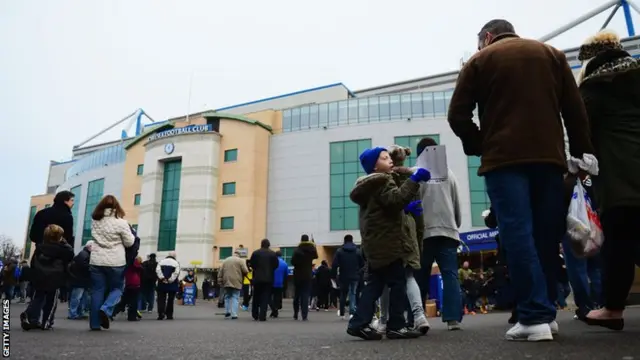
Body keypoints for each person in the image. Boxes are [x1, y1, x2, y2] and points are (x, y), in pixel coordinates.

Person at [447, 19, 594, 341]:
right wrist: (582, 156)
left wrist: (479, 145)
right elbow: (575, 110)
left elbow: (457, 114)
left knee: (517, 234)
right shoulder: (552, 55)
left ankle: (534, 316)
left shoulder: (480, 60)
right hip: (550, 160)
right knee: (545, 237)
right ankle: (546, 312)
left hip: (504, 161)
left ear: (486, 37)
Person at [575, 30, 640, 331]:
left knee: (620, 243)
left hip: (620, 177)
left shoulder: (594, 89)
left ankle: (613, 309)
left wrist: (579, 167)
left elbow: (582, 137)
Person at [346, 146, 431, 340]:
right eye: (384, 158)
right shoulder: (383, 180)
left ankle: (358, 323)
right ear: (375, 167)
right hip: (388, 244)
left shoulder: (372, 186)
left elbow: (385, 208)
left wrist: (405, 208)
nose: (390, 160)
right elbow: (394, 200)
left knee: (375, 284)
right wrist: (414, 180)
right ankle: (396, 325)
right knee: (397, 282)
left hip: (377, 244)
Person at [414, 137, 464, 331]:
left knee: (420, 275)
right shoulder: (449, 174)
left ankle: (417, 317)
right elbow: (456, 202)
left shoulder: (415, 173)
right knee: (450, 274)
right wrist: (455, 224)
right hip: (448, 231)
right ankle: (453, 319)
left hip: (424, 232)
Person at [88, 195, 136, 330]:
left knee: (97, 291)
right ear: (116, 207)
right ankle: (107, 308)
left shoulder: (95, 221)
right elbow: (129, 242)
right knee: (118, 288)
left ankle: (95, 324)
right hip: (116, 261)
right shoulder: (121, 222)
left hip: (97, 260)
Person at [20, 224, 74, 331]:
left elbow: (33, 263)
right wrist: (65, 243)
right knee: (51, 302)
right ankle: (47, 322)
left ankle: (29, 315)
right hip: (55, 278)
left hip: (40, 277)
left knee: (37, 298)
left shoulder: (40, 248)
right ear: (59, 236)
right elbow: (70, 256)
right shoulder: (63, 249)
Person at [332, 234, 365, 320]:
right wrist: (359, 273)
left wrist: (334, 276)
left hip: (343, 276)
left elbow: (335, 264)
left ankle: (342, 313)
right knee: (353, 294)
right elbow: (363, 264)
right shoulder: (357, 251)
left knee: (343, 294)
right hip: (355, 276)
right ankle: (352, 312)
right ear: (352, 240)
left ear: (344, 240)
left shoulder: (339, 251)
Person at [249, 239, 279, 321]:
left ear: (261, 244)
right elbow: (276, 265)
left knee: (256, 296)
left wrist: (257, 269)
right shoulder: (273, 254)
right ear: (269, 245)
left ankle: (255, 314)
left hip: (257, 278)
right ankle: (262, 315)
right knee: (265, 297)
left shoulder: (255, 253)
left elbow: (252, 264)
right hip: (268, 278)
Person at [291, 234, 318, 321]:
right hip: (307, 275)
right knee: (305, 295)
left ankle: (295, 313)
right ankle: (304, 315)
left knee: (297, 295)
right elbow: (316, 256)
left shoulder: (297, 250)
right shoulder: (311, 250)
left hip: (298, 275)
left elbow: (292, 262)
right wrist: (314, 245)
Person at [218, 250, 249, 319]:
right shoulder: (240, 260)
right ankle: (234, 314)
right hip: (236, 281)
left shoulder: (226, 260)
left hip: (226, 280)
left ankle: (227, 311)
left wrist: (220, 281)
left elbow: (221, 271)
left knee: (227, 297)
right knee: (235, 297)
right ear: (239, 255)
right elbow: (246, 271)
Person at [67, 241, 94, 320]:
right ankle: (73, 313)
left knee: (81, 297)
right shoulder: (85, 254)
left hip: (80, 280)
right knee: (78, 297)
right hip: (80, 280)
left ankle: (77, 313)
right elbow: (84, 266)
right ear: (89, 246)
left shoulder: (83, 253)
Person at [156, 252, 180, 320]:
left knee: (161, 299)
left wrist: (162, 278)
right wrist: (170, 280)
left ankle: (161, 314)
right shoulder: (176, 263)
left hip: (161, 283)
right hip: (172, 284)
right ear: (174, 256)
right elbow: (176, 273)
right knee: (170, 299)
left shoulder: (161, 262)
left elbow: (158, 271)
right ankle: (169, 315)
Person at [121, 256, 143, 321]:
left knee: (126, 300)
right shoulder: (137, 266)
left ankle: (114, 312)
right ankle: (132, 316)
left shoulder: (128, 264)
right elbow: (141, 270)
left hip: (128, 283)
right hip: (135, 284)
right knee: (134, 301)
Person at [270, 250, 288, 318]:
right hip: (280, 283)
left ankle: (274, 310)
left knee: (269, 297)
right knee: (277, 297)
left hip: (272, 282)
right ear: (281, 255)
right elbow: (286, 275)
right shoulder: (285, 263)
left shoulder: (272, 262)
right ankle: (276, 309)